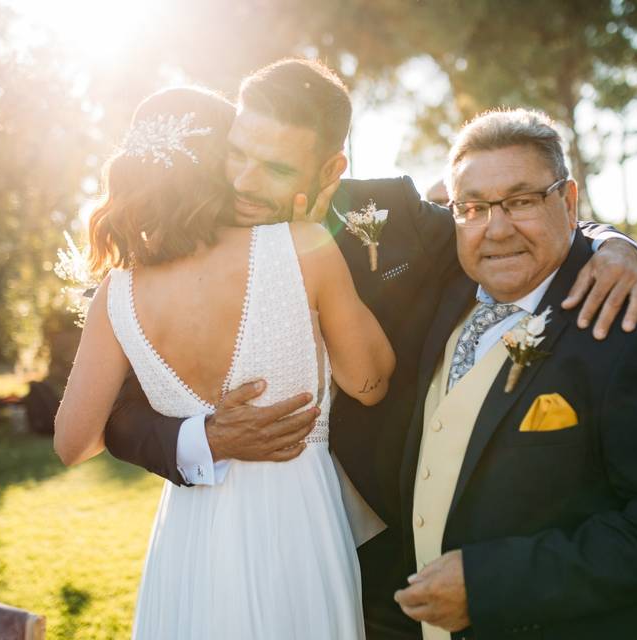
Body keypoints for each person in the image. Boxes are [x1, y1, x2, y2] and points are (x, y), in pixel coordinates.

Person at [100, 59, 637, 639]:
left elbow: (506, 225)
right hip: (242, 528)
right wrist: (204, 438)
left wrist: (612, 244)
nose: (244, 181)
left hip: (394, 536)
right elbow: (117, 408)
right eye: (237, 153)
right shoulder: (183, 228)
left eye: (274, 166)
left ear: (330, 169)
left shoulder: (389, 212)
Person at [53, 87, 396, 638]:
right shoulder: (304, 244)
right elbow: (371, 383)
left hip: (189, 536)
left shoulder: (115, 293)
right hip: (297, 526)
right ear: (220, 165)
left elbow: (73, 443)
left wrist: (194, 435)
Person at [393, 108, 637, 640]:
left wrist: (489, 586)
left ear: (568, 201)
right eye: (474, 207)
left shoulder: (633, 334)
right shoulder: (446, 291)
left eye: (522, 201)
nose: (496, 228)